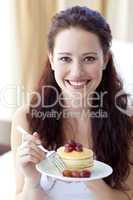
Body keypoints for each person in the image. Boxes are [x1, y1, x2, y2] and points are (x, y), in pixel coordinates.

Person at [11, 6, 133, 200]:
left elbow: (128, 195)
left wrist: (87, 173)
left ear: (105, 60)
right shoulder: (26, 119)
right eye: (65, 58)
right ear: (52, 59)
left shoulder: (126, 120)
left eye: (89, 58)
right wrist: (32, 181)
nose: (76, 72)